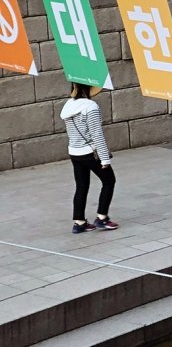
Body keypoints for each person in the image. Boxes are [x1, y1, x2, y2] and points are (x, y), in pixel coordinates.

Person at [62, 83, 118, 234]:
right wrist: (105, 159)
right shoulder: (90, 106)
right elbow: (96, 133)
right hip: (89, 152)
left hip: (74, 152)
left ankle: (79, 222)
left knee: (81, 186)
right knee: (109, 181)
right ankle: (102, 218)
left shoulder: (68, 105)